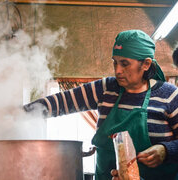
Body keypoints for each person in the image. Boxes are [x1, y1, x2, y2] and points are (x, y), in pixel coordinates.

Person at [24, 30, 178, 180]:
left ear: (146, 64)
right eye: (115, 62)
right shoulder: (105, 89)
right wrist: (14, 115)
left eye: (125, 64)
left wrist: (166, 150)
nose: (117, 70)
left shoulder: (169, 96)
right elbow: (60, 103)